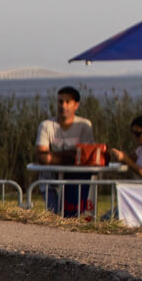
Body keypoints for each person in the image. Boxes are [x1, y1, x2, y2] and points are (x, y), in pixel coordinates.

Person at [36, 86, 95, 216]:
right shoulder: (45, 125)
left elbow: (85, 156)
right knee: (54, 217)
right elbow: (42, 157)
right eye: (60, 101)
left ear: (76, 105)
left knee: (74, 217)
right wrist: (72, 155)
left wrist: (53, 156)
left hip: (76, 181)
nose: (63, 105)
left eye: (67, 102)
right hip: (50, 182)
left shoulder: (85, 125)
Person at [108, 116, 142, 228]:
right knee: (108, 218)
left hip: (138, 200)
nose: (135, 137)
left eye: (138, 134)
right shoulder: (140, 150)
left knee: (108, 219)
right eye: (133, 133)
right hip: (136, 199)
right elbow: (129, 159)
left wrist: (125, 159)